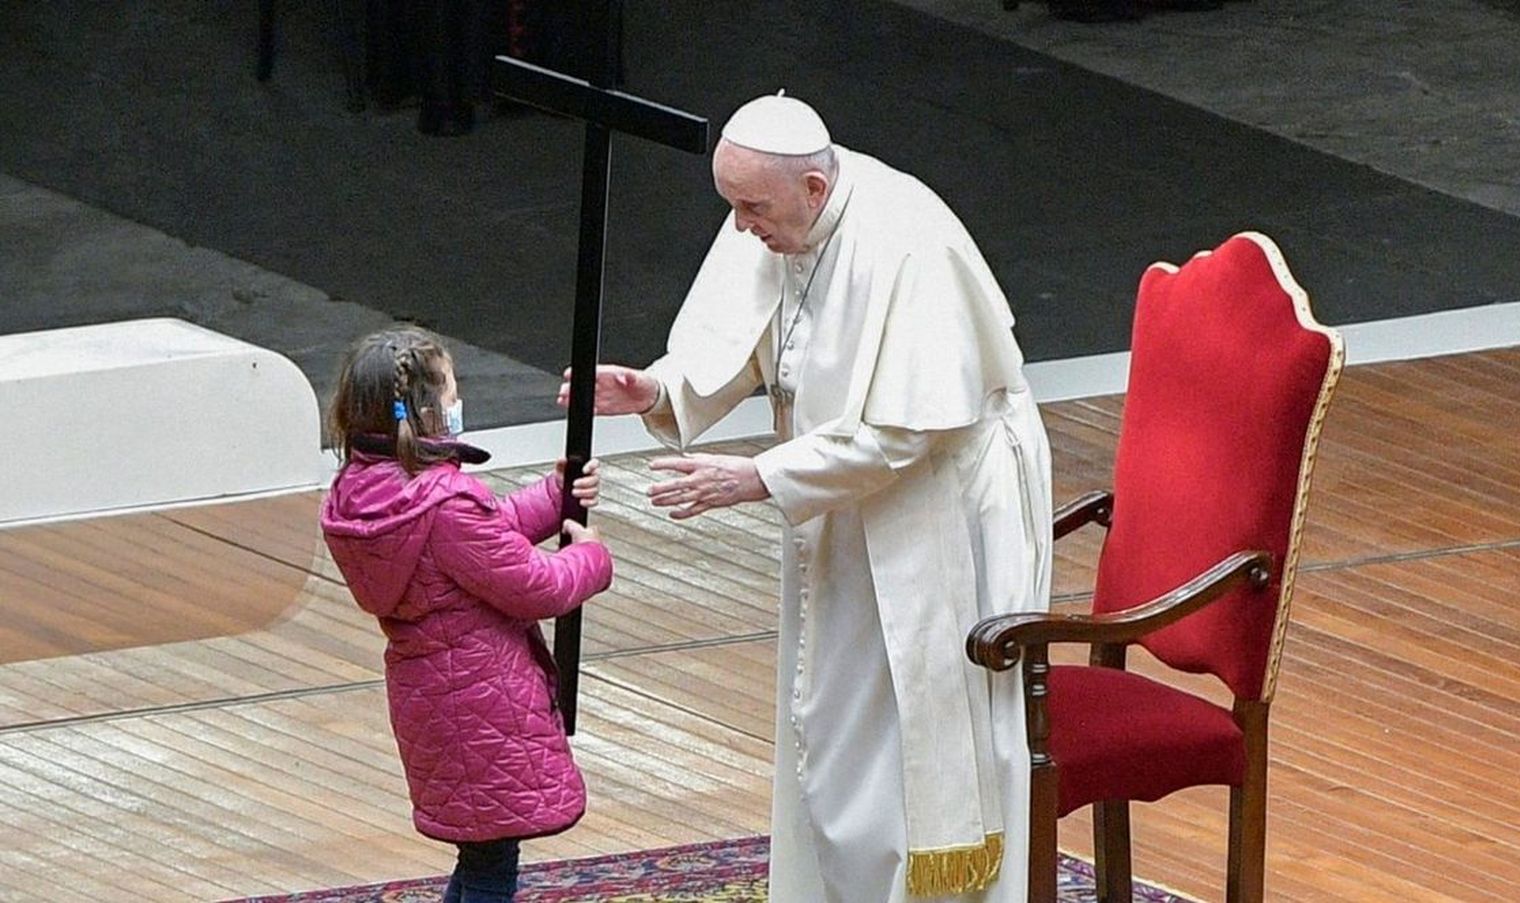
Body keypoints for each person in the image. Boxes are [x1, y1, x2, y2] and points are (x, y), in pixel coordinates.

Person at [561, 94, 1052, 901]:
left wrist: (756, 475)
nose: (742, 227)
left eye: (753, 208)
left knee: (915, 726)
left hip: (936, 505)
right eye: (733, 206)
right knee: (830, 710)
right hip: (837, 496)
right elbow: (756, 341)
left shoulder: (905, 239)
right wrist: (655, 388)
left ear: (815, 189)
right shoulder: (770, 212)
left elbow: (905, 431)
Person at [321, 325, 613, 903]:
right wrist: (590, 556)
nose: (459, 404)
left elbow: (485, 540)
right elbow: (535, 585)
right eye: (452, 393)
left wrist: (556, 496)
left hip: (432, 700)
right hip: (483, 703)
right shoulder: (444, 506)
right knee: (491, 865)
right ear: (425, 412)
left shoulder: (367, 495)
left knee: (482, 854)